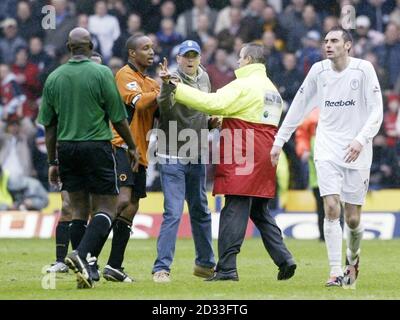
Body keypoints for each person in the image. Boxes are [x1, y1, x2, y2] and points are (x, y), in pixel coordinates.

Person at [161, 43, 296, 281]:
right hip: (265, 151)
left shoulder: (244, 84)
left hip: (244, 151)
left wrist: (177, 88)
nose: (237, 62)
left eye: (241, 58)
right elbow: (246, 112)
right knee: (259, 210)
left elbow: (213, 103)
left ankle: (226, 269)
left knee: (233, 208)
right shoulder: (271, 88)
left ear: (250, 60)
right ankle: (284, 258)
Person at [270, 27, 383, 288]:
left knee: (353, 218)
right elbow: (298, 107)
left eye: (334, 41)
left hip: (358, 149)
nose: (328, 45)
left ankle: (352, 260)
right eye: (326, 41)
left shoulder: (364, 69)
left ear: (348, 45)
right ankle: (334, 272)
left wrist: (361, 139)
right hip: (327, 147)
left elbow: (377, 111)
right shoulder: (319, 71)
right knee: (332, 208)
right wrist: (279, 141)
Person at [37, 27, 139, 289]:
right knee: (107, 206)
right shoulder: (102, 73)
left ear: (69, 48)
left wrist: (52, 162)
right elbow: (118, 117)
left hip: (66, 148)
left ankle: (88, 270)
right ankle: (81, 255)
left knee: (79, 209)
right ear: (92, 47)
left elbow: (49, 126)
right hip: (96, 146)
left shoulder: (54, 77)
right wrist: (131, 146)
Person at [151, 40, 217, 283]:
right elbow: (164, 111)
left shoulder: (205, 78)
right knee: (174, 212)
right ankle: (161, 268)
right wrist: (167, 85)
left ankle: (205, 265)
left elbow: (203, 110)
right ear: (178, 58)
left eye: (194, 55)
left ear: (199, 58)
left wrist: (210, 122)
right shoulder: (171, 79)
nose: (190, 60)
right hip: (172, 156)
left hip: (197, 154)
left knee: (201, 211)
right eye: (186, 56)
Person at [102, 34, 160, 283]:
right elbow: (140, 104)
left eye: (152, 48)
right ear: (132, 53)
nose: (151, 52)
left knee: (133, 205)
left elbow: (160, 109)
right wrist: (165, 89)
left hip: (141, 152)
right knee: (122, 199)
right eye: (145, 48)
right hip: (123, 147)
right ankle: (86, 253)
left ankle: (114, 266)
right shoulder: (125, 75)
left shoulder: (151, 82)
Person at [46, 52, 104, 274]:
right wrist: (55, 159)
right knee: (69, 206)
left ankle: (87, 260)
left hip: (98, 155)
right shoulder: (71, 94)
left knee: (95, 210)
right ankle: (62, 260)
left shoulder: (105, 94)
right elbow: (54, 123)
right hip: (71, 153)